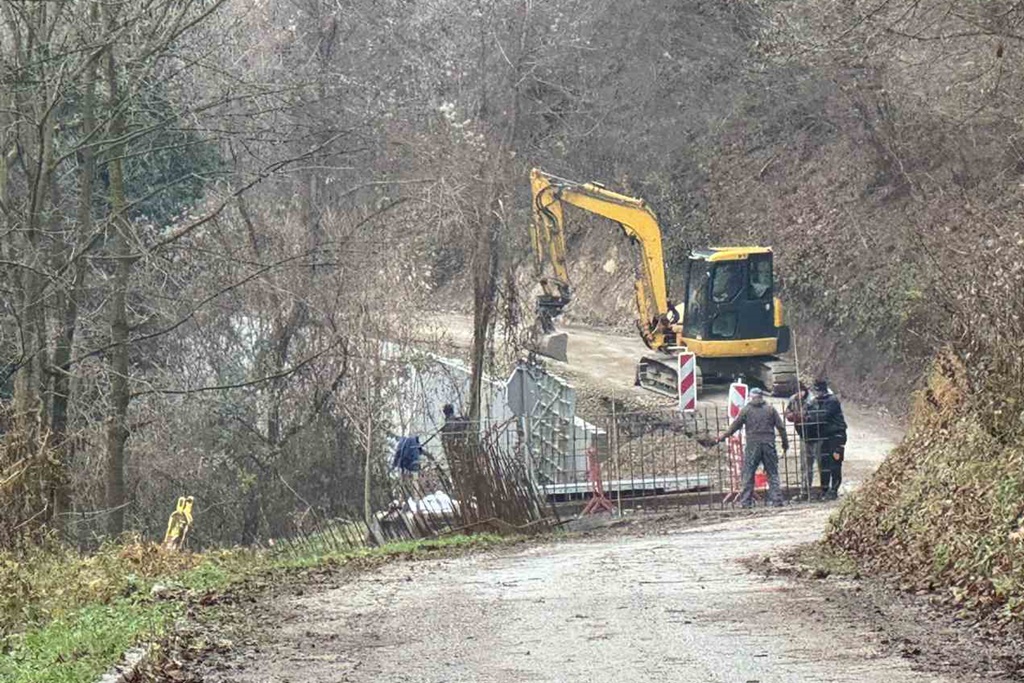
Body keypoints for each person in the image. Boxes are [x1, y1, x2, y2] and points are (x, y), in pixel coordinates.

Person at [717, 387, 789, 508]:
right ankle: (777, 500)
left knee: (748, 473)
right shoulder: (770, 409)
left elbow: (734, 426)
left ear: (751, 397)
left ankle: (746, 502)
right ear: (762, 397)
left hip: (752, 445)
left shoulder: (746, 410)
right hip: (768, 444)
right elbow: (781, 427)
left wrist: (722, 437)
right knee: (772, 472)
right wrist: (785, 444)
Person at [802, 378, 848, 500]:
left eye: (818, 391)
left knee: (835, 462)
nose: (816, 394)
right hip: (825, 436)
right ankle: (824, 489)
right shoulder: (817, 401)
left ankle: (834, 490)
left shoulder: (832, 401)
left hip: (836, 435)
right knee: (824, 463)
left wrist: (808, 416)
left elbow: (822, 415)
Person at [785, 381, 814, 498]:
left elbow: (816, 416)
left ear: (804, 390)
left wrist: (804, 416)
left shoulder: (812, 400)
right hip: (803, 435)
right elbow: (788, 413)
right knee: (805, 465)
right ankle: (805, 491)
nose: (798, 394)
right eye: (796, 392)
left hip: (816, 434)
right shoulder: (793, 400)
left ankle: (825, 489)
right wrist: (794, 416)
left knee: (823, 464)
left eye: (800, 391)